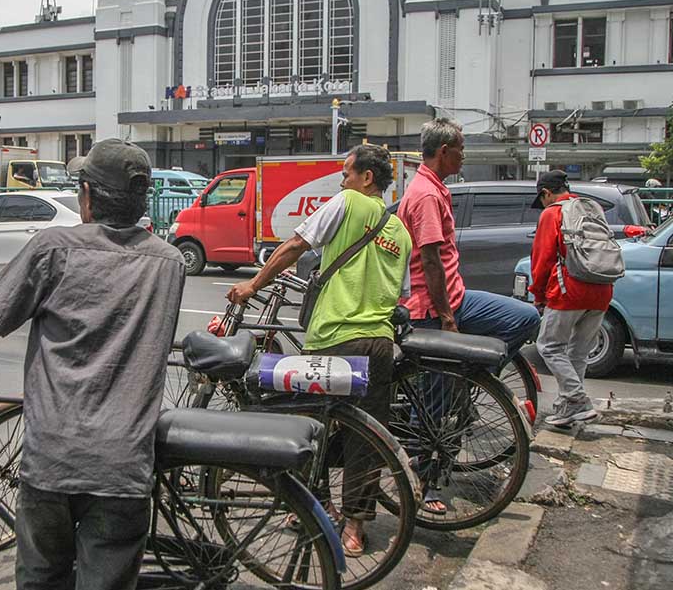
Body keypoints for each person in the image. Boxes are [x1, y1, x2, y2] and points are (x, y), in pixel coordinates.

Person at [0, 138, 186, 590]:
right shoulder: (169, 262)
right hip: (124, 466)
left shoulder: (54, 248)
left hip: (54, 460)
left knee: (41, 581)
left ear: (86, 195)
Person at [226, 144, 412, 558]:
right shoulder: (400, 231)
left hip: (334, 339)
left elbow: (296, 244)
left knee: (308, 422)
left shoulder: (348, 202)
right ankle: (355, 529)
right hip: (379, 344)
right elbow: (400, 295)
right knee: (368, 436)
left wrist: (252, 285)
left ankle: (310, 504)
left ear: (366, 178)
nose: (342, 179)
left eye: (347, 172)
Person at [397, 118, 541, 510]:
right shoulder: (426, 194)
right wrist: (446, 318)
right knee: (433, 404)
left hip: (452, 298)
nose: (465, 155)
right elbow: (429, 259)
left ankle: (470, 375)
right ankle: (420, 483)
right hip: (434, 308)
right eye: (461, 148)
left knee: (524, 318)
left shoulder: (434, 187)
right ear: (443, 151)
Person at [529, 170, 611, 428]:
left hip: (569, 291)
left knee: (549, 346)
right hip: (602, 289)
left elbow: (542, 261)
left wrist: (539, 295)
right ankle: (567, 410)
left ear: (546, 193)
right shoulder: (590, 208)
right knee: (578, 353)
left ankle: (577, 399)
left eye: (541, 198)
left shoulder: (552, 213)